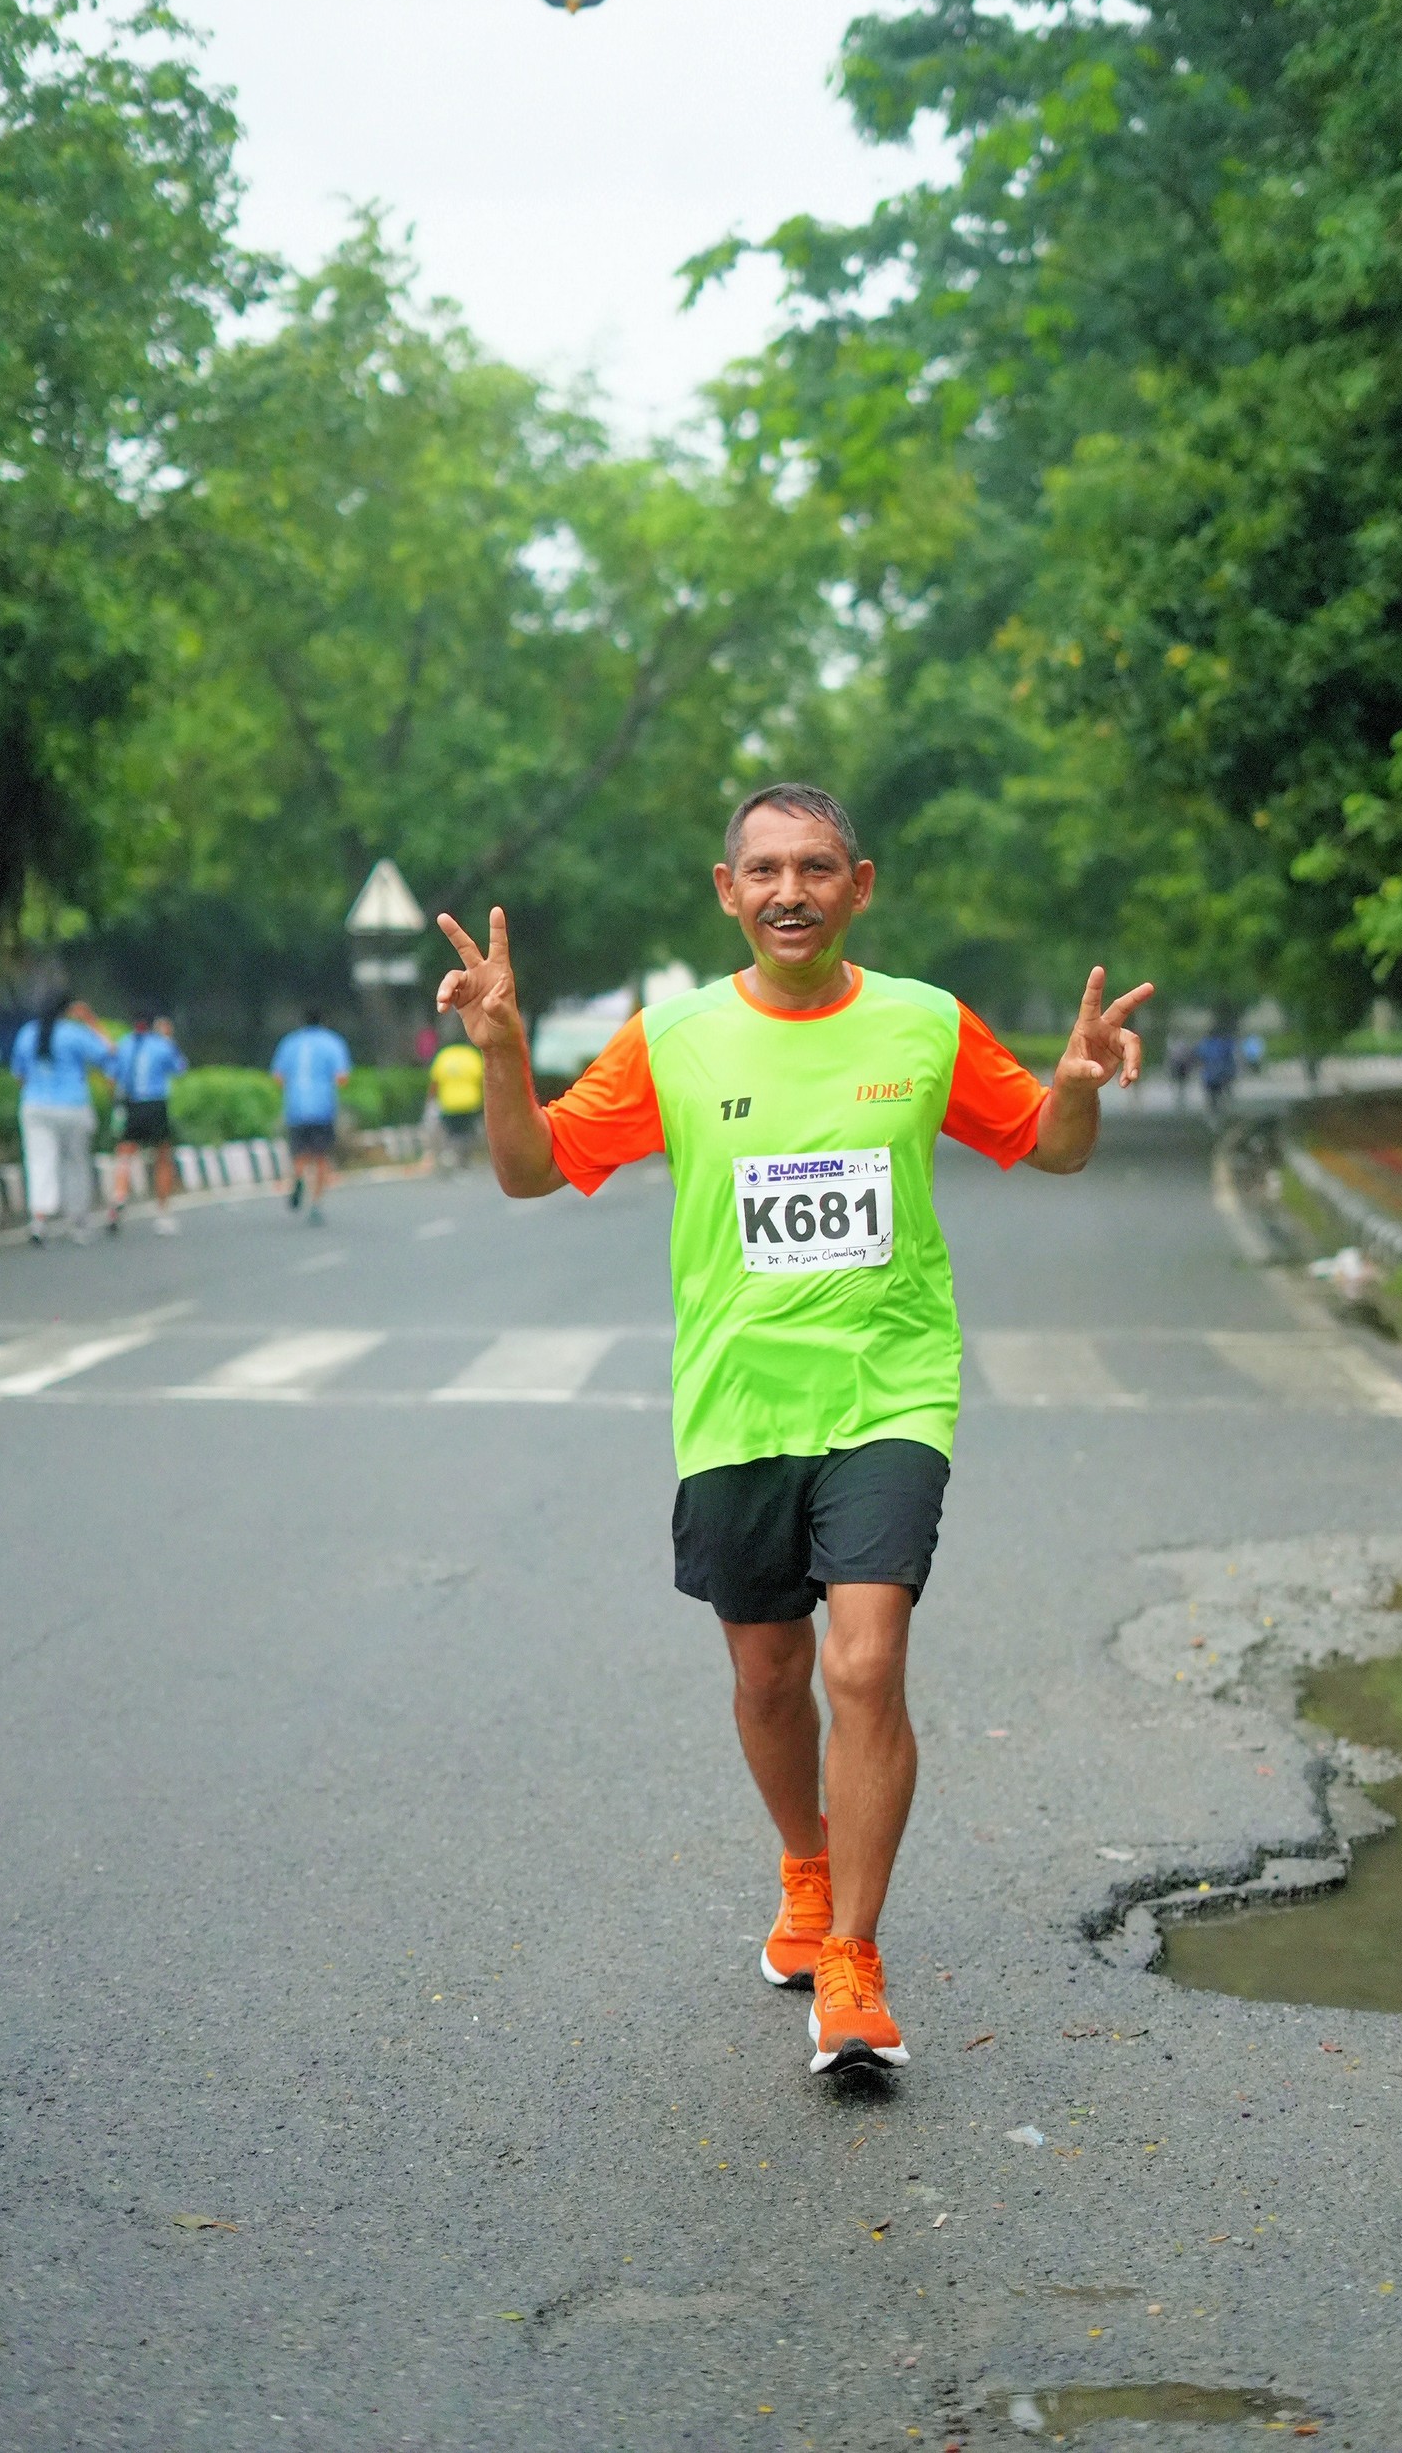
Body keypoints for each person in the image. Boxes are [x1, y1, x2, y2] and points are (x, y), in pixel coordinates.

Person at [435, 782, 1152, 2079]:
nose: (789, 891)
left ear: (857, 886)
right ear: (728, 892)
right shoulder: (675, 1037)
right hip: (738, 1402)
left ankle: (854, 1963)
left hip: (890, 1388)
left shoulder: (924, 1022)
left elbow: (1050, 1147)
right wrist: (500, 1049)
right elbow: (532, 1167)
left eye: (816, 868)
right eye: (764, 869)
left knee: (865, 1665)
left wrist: (1077, 1083)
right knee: (770, 1674)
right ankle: (806, 1869)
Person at [10, 992, 117, 1245]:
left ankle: (39, 1221)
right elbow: (110, 1053)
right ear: (68, 1010)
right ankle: (77, 1220)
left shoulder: (27, 1033)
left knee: (39, 1162)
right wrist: (90, 1020)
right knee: (75, 1163)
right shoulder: (74, 1033)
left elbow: (19, 1074)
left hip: (35, 1106)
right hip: (72, 1107)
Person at [109, 1012, 189, 1236]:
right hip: (155, 1104)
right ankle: (163, 1212)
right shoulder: (161, 1045)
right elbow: (180, 1068)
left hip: (131, 1104)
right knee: (162, 1157)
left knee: (125, 1154)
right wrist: (168, 1039)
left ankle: (119, 1196)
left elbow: (113, 1075)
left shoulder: (123, 1045)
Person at [270, 1011, 352, 1222]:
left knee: (300, 1152)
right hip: (322, 1107)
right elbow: (342, 1078)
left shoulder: (289, 1042)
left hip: (296, 1107)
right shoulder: (332, 1042)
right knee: (321, 1156)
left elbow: (278, 1077)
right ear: (323, 1022)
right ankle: (315, 1204)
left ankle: (298, 1178)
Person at [427, 1028, 485, 1171]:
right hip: (470, 1103)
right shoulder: (472, 1055)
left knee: (452, 1132)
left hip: (449, 1104)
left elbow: (435, 1083)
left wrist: (431, 1101)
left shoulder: (443, 1056)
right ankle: (463, 1158)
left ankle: (453, 1156)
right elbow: (483, 1081)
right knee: (467, 1132)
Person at [1196, 1025, 1238, 1118]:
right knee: (1219, 1093)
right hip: (1219, 1074)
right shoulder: (1222, 1044)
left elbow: (1199, 1057)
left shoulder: (1204, 1044)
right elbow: (1229, 1057)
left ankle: (1213, 1112)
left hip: (1208, 1075)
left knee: (1211, 1095)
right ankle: (1220, 1111)